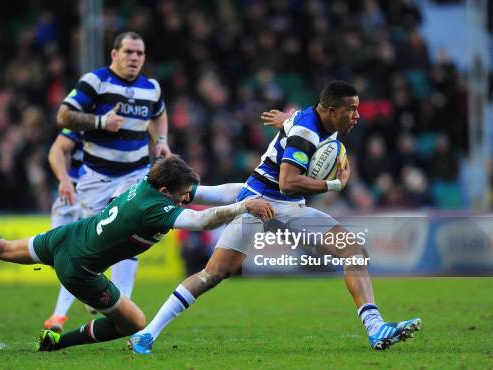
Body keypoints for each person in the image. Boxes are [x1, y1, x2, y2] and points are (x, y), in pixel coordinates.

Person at [129, 81, 421, 354]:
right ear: (331, 111)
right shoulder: (306, 133)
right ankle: (148, 332)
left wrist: (287, 120)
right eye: (351, 109)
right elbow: (288, 182)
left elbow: (297, 120)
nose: (357, 116)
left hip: (274, 198)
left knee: (353, 251)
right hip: (265, 204)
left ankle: (376, 328)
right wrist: (335, 184)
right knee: (213, 273)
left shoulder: (312, 117)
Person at [0, 156, 275, 351]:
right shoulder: (154, 208)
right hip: (79, 268)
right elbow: (205, 221)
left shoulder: (147, 186)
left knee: (4, 248)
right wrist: (244, 208)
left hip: (68, 237)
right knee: (134, 322)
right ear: (166, 191)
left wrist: (253, 190)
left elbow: (211, 195)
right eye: (183, 194)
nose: (187, 198)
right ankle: (60, 342)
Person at [44, 31, 171, 329]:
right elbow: (63, 116)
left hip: (135, 175)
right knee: (94, 244)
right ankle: (91, 294)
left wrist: (161, 140)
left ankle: (122, 303)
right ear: (114, 54)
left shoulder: (151, 88)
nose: (134, 58)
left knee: (129, 233)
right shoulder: (95, 82)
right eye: (128, 52)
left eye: (139, 53)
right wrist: (100, 122)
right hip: (96, 178)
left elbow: (159, 114)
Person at [43, 129, 86, 332]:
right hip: (69, 191)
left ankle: (58, 315)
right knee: (57, 254)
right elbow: (56, 151)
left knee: (75, 257)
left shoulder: (118, 124)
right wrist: (63, 178)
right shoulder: (81, 120)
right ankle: (92, 292)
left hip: (96, 194)